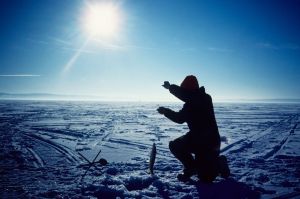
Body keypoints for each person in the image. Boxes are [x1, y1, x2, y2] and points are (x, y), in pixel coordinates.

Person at [157, 75, 230, 182]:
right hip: (196, 138)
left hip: (210, 143)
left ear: (188, 90)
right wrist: (166, 111)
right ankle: (191, 167)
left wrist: (170, 87)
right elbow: (179, 118)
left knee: (206, 179)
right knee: (175, 145)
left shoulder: (205, 98)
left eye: (184, 89)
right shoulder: (190, 104)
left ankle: (219, 162)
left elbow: (189, 96)